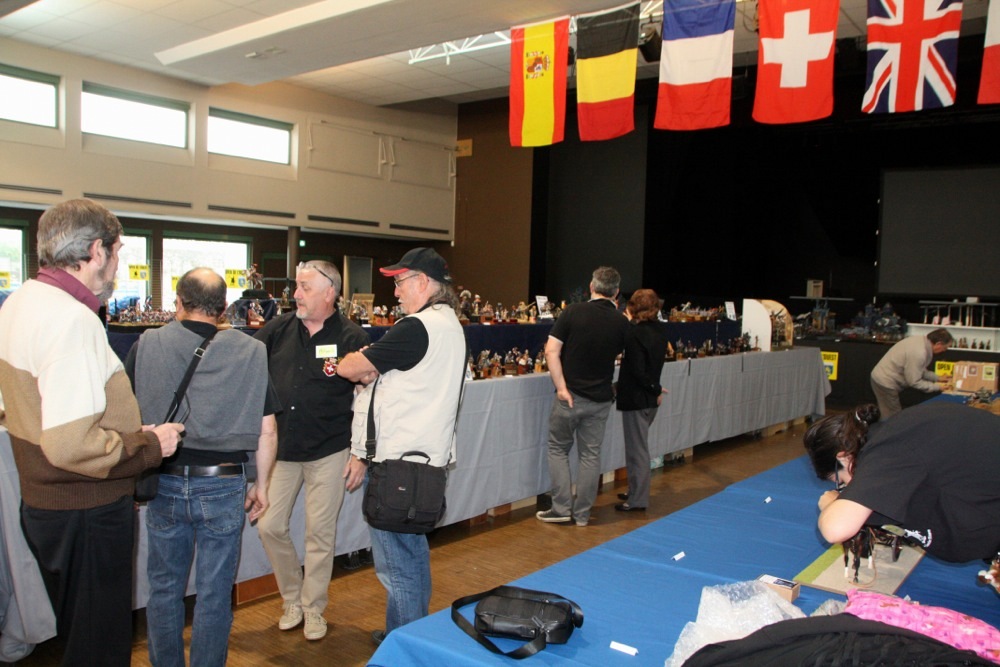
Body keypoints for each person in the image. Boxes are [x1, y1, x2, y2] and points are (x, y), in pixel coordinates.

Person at [0, 198, 183, 666]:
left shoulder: (21, 301)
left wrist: (119, 431)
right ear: (97, 251)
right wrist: (147, 445)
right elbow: (70, 444)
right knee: (100, 646)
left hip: (46, 505)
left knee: (79, 639)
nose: (117, 263)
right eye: (117, 251)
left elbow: (32, 410)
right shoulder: (71, 318)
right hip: (86, 508)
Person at [126, 268, 278, 667]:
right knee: (214, 593)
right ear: (224, 308)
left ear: (178, 302)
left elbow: (123, 419)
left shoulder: (147, 344)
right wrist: (261, 485)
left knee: (164, 589)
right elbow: (268, 429)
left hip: (163, 478)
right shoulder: (252, 351)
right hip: (224, 482)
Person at [338, 247, 465, 644]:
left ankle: (407, 646)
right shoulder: (449, 325)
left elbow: (351, 368)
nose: (395, 292)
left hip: (398, 463)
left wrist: (358, 362)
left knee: (397, 568)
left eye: (400, 282)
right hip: (424, 461)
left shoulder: (417, 327)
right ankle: (405, 633)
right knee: (411, 557)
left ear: (423, 282)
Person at [253, 260, 368, 641]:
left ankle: (313, 607)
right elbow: (249, 367)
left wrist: (359, 453)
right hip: (282, 448)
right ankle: (293, 599)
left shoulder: (351, 336)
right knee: (269, 525)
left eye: (304, 288)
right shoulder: (277, 330)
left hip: (329, 449)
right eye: (297, 287)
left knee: (320, 534)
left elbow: (367, 397)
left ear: (329, 293)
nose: (296, 294)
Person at [803, 400, 1000, 564]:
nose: (846, 487)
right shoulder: (899, 432)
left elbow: (835, 530)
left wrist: (830, 504)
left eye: (839, 481)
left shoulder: (888, 450)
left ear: (844, 458)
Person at [536, 266, 628, 526]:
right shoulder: (621, 322)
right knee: (590, 456)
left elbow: (551, 351)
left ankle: (561, 508)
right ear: (616, 292)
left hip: (571, 396)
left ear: (591, 286)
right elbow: (628, 357)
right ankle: (583, 514)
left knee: (558, 449)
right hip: (600, 398)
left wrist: (561, 388)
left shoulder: (573, 312)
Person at [615, 289, 669, 512]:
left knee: (637, 451)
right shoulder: (660, 330)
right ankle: (635, 490)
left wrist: (654, 387)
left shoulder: (635, 334)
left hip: (636, 399)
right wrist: (656, 388)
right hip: (649, 398)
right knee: (637, 448)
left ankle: (637, 499)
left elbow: (637, 371)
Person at [869, 328, 952, 419]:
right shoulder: (919, 353)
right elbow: (914, 382)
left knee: (889, 414)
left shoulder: (921, 341)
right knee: (893, 418)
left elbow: (919, 370)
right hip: (885, 382)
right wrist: (938, 387)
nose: (944, 350)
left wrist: (938, 378)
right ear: (938, 344)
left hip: (883, 377)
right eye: (945, 348)